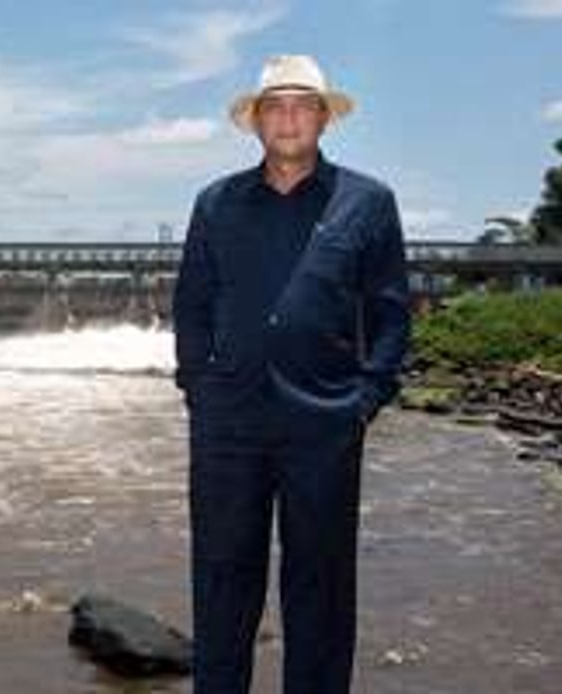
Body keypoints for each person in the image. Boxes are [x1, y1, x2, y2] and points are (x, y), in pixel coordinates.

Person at [173, 55, 411, 694]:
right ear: (254, 122)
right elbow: (191, 306)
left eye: (302, 105)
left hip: (326, 425)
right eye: (273, 106)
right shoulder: (215, 203)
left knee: (322, 592)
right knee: (223, 586)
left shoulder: (369, 203)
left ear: (324, 118)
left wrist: (364, 399)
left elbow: (391, 314)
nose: (287, 118)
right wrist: (200, 389)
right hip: (229, 429)